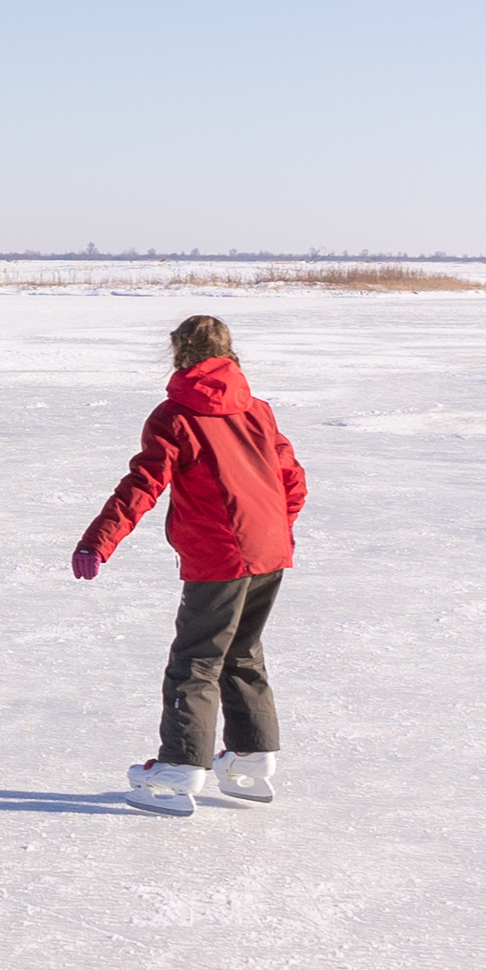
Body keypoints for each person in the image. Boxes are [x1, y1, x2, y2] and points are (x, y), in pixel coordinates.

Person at [70, 313, 308, 814]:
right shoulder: (258, 410)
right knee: (242, 652)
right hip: (268, 550)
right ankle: (249, 758)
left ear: (178, 352)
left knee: (195, 660)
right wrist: (274, 529)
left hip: (221, 554)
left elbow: (143, 485)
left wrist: (98, 541)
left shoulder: (175, 416)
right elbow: (292, 479)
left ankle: (179, 768)